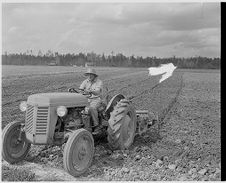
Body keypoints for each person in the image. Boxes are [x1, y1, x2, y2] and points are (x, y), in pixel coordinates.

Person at [79, 68, 103, 132]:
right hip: (86, 99)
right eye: (88, 75)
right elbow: (81, 89)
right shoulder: (85, 81)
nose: (89, 76)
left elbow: (97, 91)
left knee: (92, 108)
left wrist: (91, 91)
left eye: (91, 75)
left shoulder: (99, 82)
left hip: (96, 99)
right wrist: (81, 91)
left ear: (94, 75)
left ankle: (96, 125)